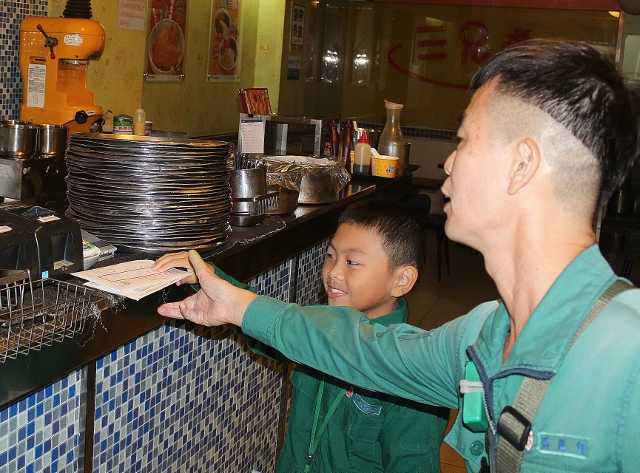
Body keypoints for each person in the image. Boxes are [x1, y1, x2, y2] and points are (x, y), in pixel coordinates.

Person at [157, 39, 640, 472]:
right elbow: (361, 349)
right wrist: (235, 305)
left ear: (522, 165)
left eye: (466, 139)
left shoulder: (627, 353)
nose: (449, 161)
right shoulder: (483, 334)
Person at [154, 199, 449, 472]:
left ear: (402, 280)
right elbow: (272, 329)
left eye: (352, 262)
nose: (333, 272)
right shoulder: (319, 324)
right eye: (331, 255)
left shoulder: (414, 382)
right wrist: (213, 281)